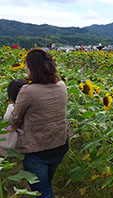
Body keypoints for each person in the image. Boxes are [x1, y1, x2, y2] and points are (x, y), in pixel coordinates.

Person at [9, 48, 73, 198]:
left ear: (32, 67)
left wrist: (12, 105)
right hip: (60, 145)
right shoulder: (62, 86)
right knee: (46, 184)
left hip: (37, 149)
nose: (25, 68)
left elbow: (14, 119)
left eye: (26, 65)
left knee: (41, 192)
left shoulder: (28, 91)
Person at [0, 79, 29, 156]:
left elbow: (7, 119)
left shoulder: (13, 108)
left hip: (18, 137)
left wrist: (9, 106)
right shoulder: (32, 104)